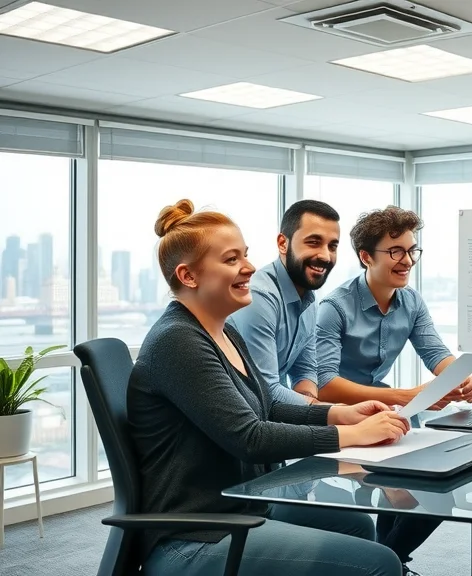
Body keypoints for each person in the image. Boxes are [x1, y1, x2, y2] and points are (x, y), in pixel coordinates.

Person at [129, 199, 409, 576]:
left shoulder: (224, 331)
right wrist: (352, 434)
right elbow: (250, 437)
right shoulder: (177, 341)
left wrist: (340, 414)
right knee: (381, 563)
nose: (248, 267)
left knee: (358, 525)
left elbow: (267, 407)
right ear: (188, 276)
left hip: (243, 506)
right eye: (231, 259)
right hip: (196, 534)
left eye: (245, 255)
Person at [316, 205, 472, 574]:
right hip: (342, 420)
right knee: (408, 493)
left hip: (388, 416)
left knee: (440, 491)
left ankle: (386, 563)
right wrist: (405, 397)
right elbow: (325, 386)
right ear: (365, 257)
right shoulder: (334, 308)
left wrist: (462, 377)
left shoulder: (411, 301)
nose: (407, 260)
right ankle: (385, 564)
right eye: (396, 251)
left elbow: (435, 353)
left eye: (411, 250)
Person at [228, 200, 341, 406]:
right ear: (283, 243)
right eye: (313, 242)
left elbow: (305, 369)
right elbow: (266, 390)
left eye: (332, 246)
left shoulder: (309, 299)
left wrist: (311, 406)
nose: (326, 256)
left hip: (271, 413)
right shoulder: (259, 296)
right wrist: (332, 412)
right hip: (240, 413)